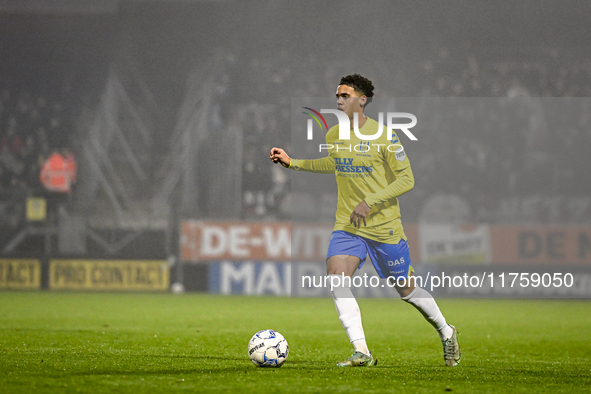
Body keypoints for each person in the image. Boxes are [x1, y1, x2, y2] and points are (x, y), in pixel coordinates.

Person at [269, 74, 461, 367]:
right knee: (336, 278)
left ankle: (447, 331)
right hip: (348, 226)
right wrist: (293, 162)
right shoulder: (333, 134)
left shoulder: (384, 135)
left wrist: (369, 202)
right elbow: (334, 163)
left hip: (385, 228)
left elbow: (407, 179)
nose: (338, 100)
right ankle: (362, 352)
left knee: (407, 291)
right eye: (337, 95)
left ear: (362, 99)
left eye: (345, 95)